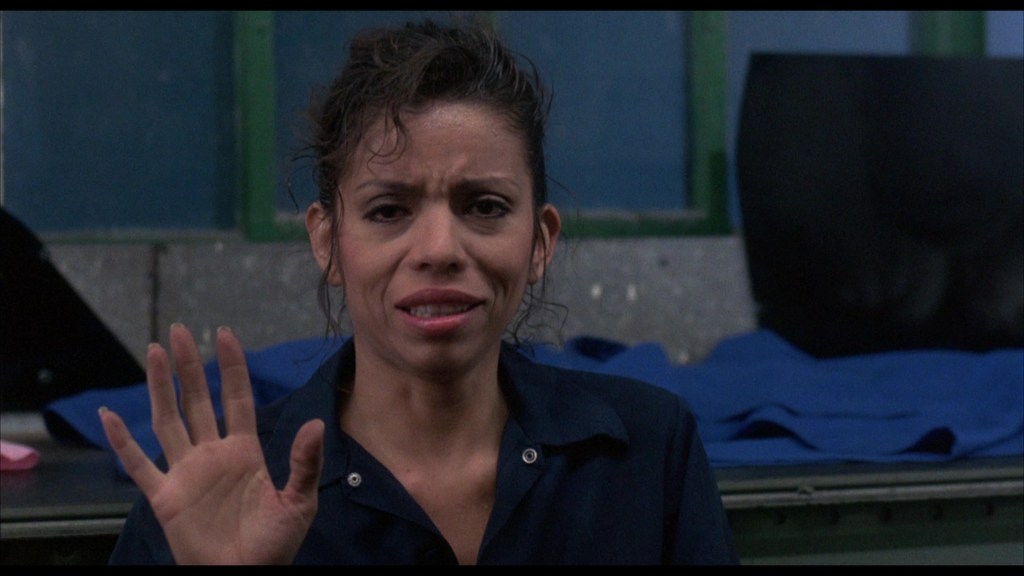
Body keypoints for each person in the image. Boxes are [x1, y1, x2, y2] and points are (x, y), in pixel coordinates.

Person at [98, 17, 739, 565]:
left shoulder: (649, 453)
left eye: (485, 206)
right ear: (327, 242)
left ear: (540, 241)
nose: (438, 249)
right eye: (388, 210)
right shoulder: (214, 497)